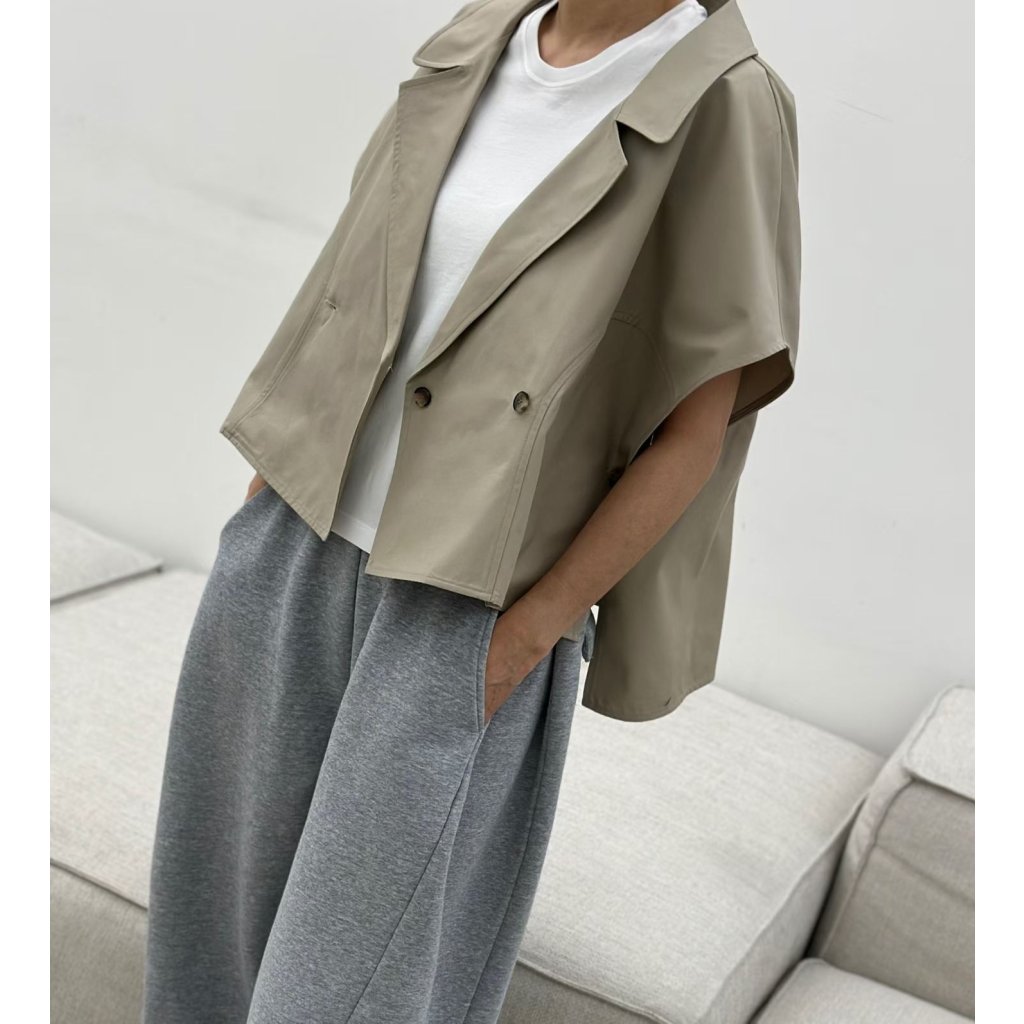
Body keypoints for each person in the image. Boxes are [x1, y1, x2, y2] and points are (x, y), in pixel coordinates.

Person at [142, 0, 801, 1021]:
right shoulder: (481, 37)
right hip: (291, 551)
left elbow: (693, 433)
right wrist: (265, 499)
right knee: (205, 965)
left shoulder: (722, 101)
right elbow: (359, 273)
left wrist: (524, 641)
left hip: (463, 619)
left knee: (343, 999)